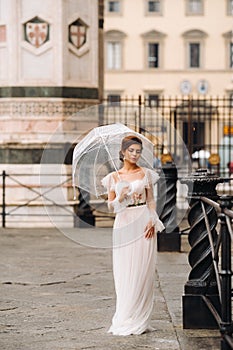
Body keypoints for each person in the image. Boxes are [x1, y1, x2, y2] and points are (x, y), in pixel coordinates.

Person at [101, 135, 165, 336]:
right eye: (131, 151)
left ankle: (140, 317)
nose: (135, 154)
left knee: (143, 270)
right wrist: (120, 196)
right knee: (125, 269)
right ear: (123, 153)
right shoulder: (113, 177)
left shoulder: (146, 173)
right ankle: (125, 315)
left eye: (138, 151)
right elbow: (111, 206)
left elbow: (151, 200)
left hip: (143, 220)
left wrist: (152, 218)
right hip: (124, 222)